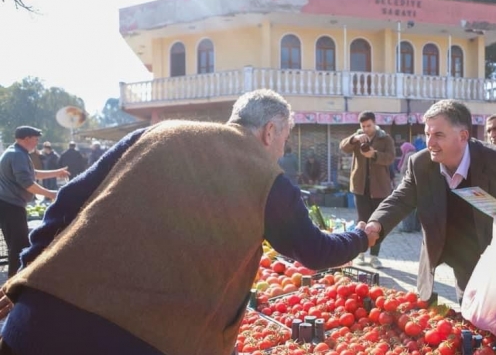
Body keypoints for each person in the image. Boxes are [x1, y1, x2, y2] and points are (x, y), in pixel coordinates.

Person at [0, 89, 378, 355]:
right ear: (270, 132)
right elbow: (314, 250)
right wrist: (362, 236)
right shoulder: (268, 180)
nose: (283, 150)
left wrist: (24, 276)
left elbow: (66, 202)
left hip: (38, 324)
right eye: (287, 138)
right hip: (141, 342)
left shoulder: (156, 134)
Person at [364, 100, 496, 301]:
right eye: (427, 134)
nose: (430, 143)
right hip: (449, 251)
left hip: (490, 255)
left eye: (439, 135)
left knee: (490, 318)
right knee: (468, 310)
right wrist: (376, 224)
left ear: (463, 136)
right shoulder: (421, 163)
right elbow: (399, 199)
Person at [0, 127, 69, 277]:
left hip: (9, 205)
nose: (37, 143)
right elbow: (27, 183)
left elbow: (33, 174)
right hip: (10, 206)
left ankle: (14, 282)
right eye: (35, 139)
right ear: (26, 139)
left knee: (16, 245)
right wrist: (51, 193)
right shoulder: (17, 155)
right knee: (18, 247)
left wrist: (57, 173)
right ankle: (13, 284)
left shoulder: (17, 153)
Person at [340, 111, 395, 269]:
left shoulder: (385, 138)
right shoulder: (358, 136)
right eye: (363, 126)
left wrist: (374, 154)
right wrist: (353, 139)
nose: (366, 129)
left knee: (377, 222)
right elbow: (343, 147)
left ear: (375, 123)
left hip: (380, 188)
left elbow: (391, 157)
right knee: (362, 221)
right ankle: (361, 253)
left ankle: (375, 256)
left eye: (369, 125)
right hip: (360, 186)